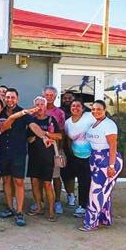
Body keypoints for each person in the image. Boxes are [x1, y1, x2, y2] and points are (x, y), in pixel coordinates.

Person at [80, 100, 123, 232]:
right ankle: (104, 218)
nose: (95, 111)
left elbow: (113, 146)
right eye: (93, 109)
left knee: (96, 191)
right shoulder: (94, 123)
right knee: (103, 191)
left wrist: (111, 166)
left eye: (99, 109)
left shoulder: (109, 124)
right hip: (95, 159)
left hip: (107, 159)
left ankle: (91, 223)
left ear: (104, 110)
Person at [0, 88, 34, 226]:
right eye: (7, 97)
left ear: (17, 99)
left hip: (18, 153)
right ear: (4, 98)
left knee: (18, 182)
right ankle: (9, 208)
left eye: (13, 97)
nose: (10, 100)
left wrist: (43, 135)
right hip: (3, 152)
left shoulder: (23, 113)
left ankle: (19, 212)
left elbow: (33, 126)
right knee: (6, 180)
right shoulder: (0, 112)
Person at [26, 96, 62, 222]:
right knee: (34, 183)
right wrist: (31, 138)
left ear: (46, 106)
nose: (39, 106)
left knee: (47, 184)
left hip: (48, 157)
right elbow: (27, 138)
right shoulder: (31, 120)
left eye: (42, 104)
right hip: (34, 156)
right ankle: (39, 207)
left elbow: (59, 136)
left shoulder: (51, 120)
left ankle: (51, 211)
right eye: (37, 104)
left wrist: (46, 134)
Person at [43, 85, 73, 214]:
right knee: (40, 177)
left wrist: (60, 149)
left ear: (55, 97)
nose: (49, 97)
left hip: (55, 148)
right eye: (47, 95)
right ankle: (40, 201)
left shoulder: (59, 113)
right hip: (40, 149)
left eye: (51, 95)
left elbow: (62, 132)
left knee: (56, 176)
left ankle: (57, 201)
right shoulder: (37, 109)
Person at [65, 99, 95, 218]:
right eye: (73, 106)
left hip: (92, 156)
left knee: (91, 182)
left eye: (78, 106)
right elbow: (68, 139)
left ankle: (92, 206)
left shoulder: (89, 116)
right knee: (82, 182)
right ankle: (83, 206)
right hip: (77, 157)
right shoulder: (67, 123)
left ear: (83, 108)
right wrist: (70, 153)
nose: (75, 108)